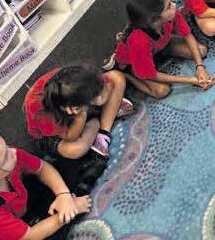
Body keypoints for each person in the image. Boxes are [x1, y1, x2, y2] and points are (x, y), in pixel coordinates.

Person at [23, 63, 134, 191]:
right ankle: (103, 116)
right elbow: (70, 136)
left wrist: (100, 97)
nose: (98, 99)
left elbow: (108, 83)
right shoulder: (40, 110)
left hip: (82, 110)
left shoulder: (77, 80)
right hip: (54, 135)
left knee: (117, 78)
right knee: (75, 149)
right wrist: (81, 115)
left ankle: (102, 135)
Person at [111, 0, 215, 99]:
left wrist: (200, 66)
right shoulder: (139, 40)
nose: (174, 5)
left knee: (201, 51)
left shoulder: (170, 15)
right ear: (155, 19)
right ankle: (127, 75)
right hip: (131, 64)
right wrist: (192, 80)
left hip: (158, 48)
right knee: (162, 91)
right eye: (169, 6)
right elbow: (151, 75)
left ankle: (162, 54)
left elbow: (187, 35)